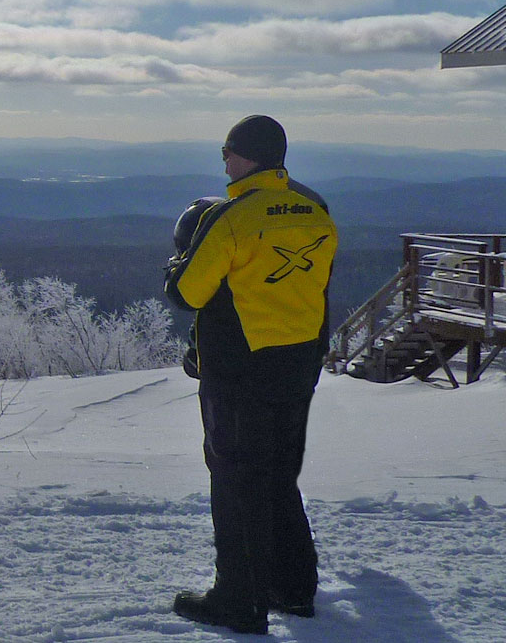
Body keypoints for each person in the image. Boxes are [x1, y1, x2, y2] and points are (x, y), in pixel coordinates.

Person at [164, 114, 337, 635]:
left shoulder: (231, 217)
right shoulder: (316, 212)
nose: (223, 159)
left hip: (238, 370)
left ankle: (238, 600)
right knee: (278, 475)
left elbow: (187, 293)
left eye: (227, 151)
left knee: (235, 480)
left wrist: (175, 267)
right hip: (298, 365)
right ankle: (294, 587)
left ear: (249, 155)